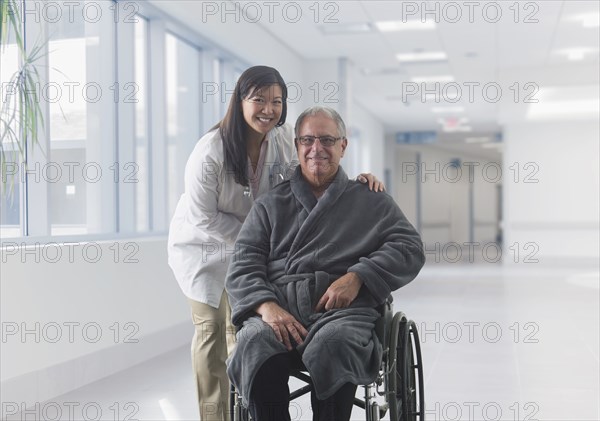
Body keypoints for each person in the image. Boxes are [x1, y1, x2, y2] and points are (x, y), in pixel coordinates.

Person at [167, 66, 384, 421]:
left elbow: (314, 167)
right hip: (205, 248)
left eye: (277, 101)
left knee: (245, 331)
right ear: (240, 101)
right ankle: (214, 416)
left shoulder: (284, 139)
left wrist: (358, 181)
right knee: (211, 330)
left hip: (255, 247)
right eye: (259, 100)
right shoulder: (210, 152)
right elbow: (202, 217)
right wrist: (257, 237)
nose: (269, 109)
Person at [225, 106, 425, 421]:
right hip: (279, 309)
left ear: (343, 146)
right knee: (253, 343)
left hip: (343, 313)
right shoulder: (270, 204)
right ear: (297, 145)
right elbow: (243, 266)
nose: (316, 149)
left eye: (327, 140)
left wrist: (359, 276)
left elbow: (409, 247)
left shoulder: (370, 199)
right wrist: (266, 307)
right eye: (307, 140)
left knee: (335, 343)